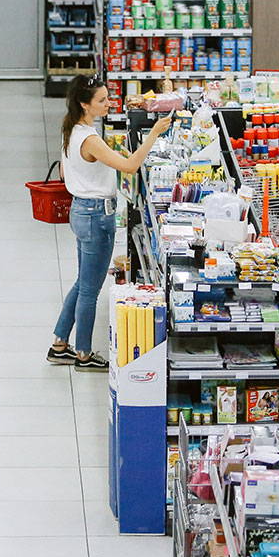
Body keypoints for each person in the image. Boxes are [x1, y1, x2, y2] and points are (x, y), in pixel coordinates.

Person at [48, 74, 172, 371]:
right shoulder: (89, 138)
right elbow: (129, 166)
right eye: (101, 100)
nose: (108, 104)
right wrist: (153, 134)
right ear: (84, 104)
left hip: (81, 212)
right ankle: (84, 354)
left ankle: (59, 344)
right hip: (95, 217)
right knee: (90, 290)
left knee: (82, 283)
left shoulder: (71, 130)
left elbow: (66, 175)